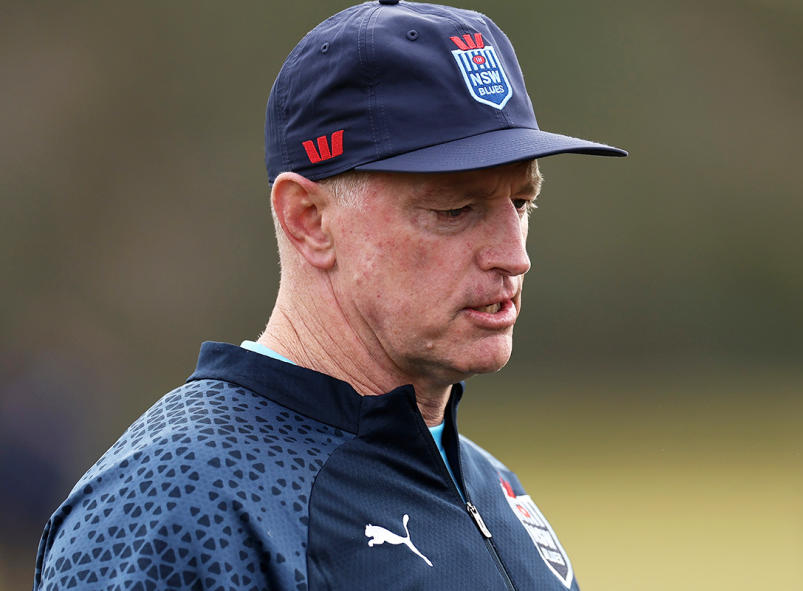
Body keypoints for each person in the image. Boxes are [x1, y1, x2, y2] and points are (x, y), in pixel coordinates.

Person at [33, 1, 626, 589]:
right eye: (455, 209)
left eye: (521, 203)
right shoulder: (177, 499)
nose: (514, 255)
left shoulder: (495, 488)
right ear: (309, 220)